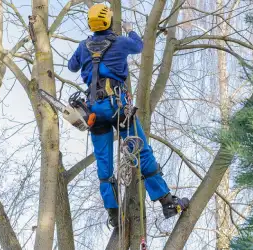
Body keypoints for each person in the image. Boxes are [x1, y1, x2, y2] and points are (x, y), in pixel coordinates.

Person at [68, 4, 189, 227]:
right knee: (140, 150)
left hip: (94, 111)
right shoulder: (120, 42)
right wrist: (130, 30)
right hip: (117, 107)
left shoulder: (83, 46)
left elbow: (72, 66)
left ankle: (113, 213)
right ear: (109, 21)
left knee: (104, 162)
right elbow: (139, 45)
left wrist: (85, 53)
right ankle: (167, 202)